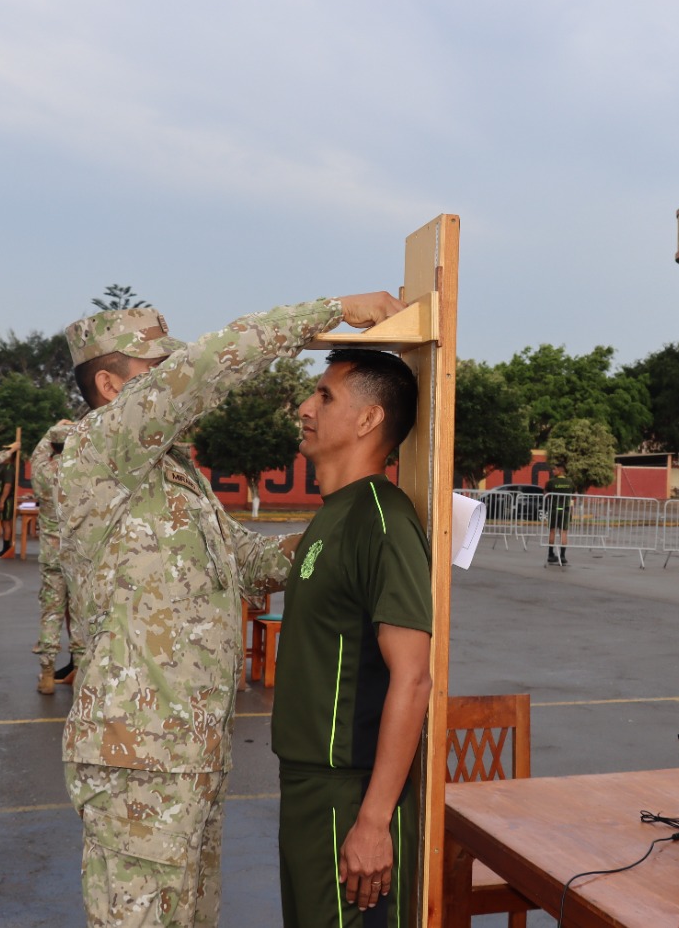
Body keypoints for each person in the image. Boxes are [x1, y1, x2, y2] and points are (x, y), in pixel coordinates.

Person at [55, 293, 402, 928]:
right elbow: (210, 366)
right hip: (138, 756)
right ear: (110, 386)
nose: (173, 378)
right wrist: (332, 309)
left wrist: (345, 531)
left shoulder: (171, 472)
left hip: (189, 755)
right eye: (156, 370)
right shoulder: (96, 452)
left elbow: (246, 563)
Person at [273, 349, 433, 927]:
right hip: (309, 786)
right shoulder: (335, 514)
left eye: (324, 396)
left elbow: (413, 678)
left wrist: (373, 821)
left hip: (349, 793)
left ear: (368, 419)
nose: (304, 407)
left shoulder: (383, 521)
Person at [29, 420, 82, 695]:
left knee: (51, 612)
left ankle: (47, 674)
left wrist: (51, 429)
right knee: (80, 614)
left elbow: (37, 455)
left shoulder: (42, 471)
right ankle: (81, 673)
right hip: (79, 555)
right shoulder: (85, 471)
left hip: (51, 555)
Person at [544, 462, 577, 566]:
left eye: (555, 469)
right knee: (563, 532)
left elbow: (546, 494)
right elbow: (574, 495)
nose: (553, 471)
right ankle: (562, 556)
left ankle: (550, 554)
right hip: (565, 510)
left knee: (552, 531)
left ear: (560, 470)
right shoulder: (570, 482)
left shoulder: (551, 482)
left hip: (554, 509)